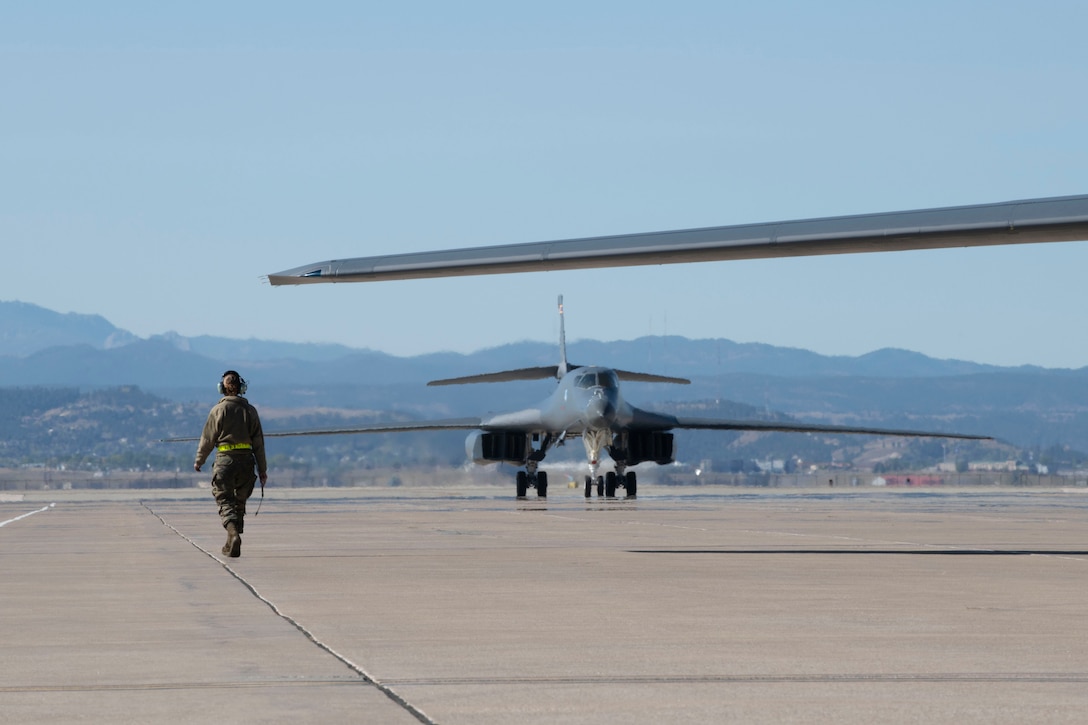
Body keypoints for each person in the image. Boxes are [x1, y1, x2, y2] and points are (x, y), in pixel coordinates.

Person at [194, 370, 267, 558]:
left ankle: (233, 535)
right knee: (239, 503)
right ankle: (231, 541)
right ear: (242, 388)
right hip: (247, 462)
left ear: (222, 388)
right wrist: (263, 470)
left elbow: (208, 439)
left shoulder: (218, 410)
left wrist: (199, 460)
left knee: (225, 502)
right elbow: (258, 443)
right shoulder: (250, 411)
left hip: (225, 461)